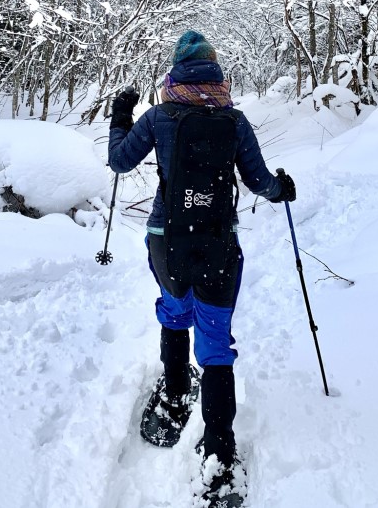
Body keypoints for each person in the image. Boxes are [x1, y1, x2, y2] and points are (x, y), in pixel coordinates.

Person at [108, 31, 296, 498]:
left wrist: (120, 115)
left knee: (174, 312)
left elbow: (118, 162)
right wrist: (282, 188)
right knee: (214, 344)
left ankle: (173, 394)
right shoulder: (234, 121)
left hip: (166, 240)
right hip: (217, 247)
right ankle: (219, 455)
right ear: (216, 71)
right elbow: (258, 183)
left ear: (175, 70)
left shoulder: (159, 116)